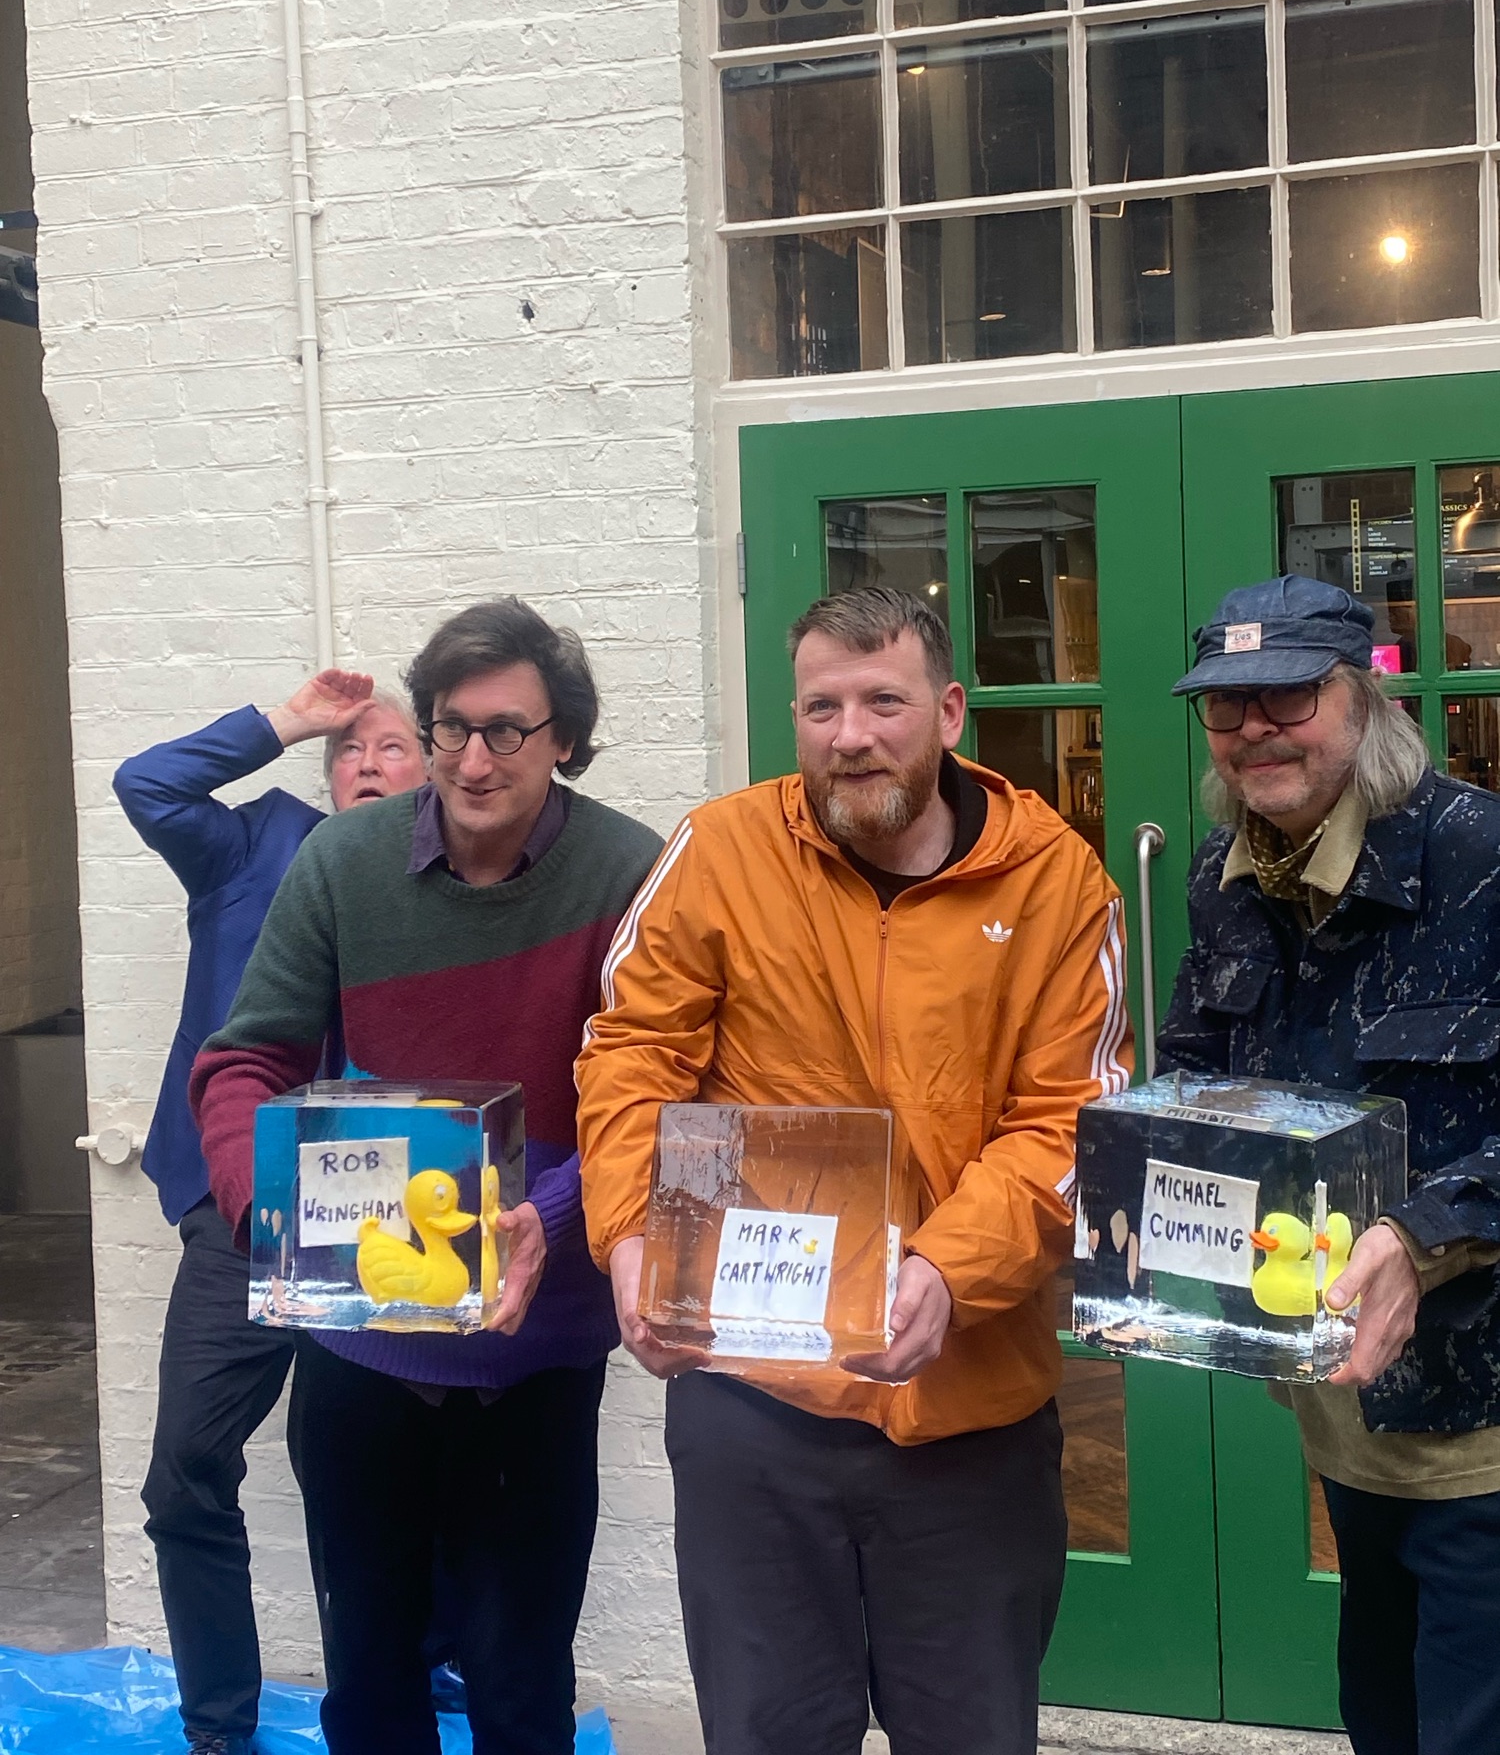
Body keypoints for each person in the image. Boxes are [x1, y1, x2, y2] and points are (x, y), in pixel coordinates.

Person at [575, 584, 1132, 1755]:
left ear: (950, 711)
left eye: (884, 701)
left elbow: (1072, 1119)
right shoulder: (718, 851)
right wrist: (627, 1235)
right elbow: (631, 1054)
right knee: (769, 1732)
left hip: (973, 1406)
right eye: (821, 706)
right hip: (754, 1401)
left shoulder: (1058, 881)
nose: (850, 734)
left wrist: (949, 1270)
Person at [189, 597, 663, 1755]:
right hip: (360, 1351)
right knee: (369, 1684)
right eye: (452, 726)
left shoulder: (632, 871)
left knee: (518, 1685)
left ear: (564, 737)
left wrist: (552, 1213)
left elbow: (664, 1094)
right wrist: (270, 1205)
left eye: (508, 729)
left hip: (536, 1356)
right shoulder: (345, 860)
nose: (474, 758)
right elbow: (246, 1060)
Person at [1157, 573, 1500, 1755]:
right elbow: (1195, 1073)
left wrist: (1422, 1230)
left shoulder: (1481, 856)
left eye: (1289, 695)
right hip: (1343, 1407)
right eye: (1227, 703)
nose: (1255, 726)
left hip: (1485, 1416)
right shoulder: (1224, 876)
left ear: (1363, 698)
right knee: (1383, 1710)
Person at [114, 675, 427, 1755]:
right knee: (187, 1468)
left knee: (361, 1480)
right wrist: (290, 721)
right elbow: (147, 784)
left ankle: (389, 1696)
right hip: (238, 1212)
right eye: (349, 751)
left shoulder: (452, 875)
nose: (367, 763)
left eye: (392, 747)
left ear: (432, 769)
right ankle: (219, 1727)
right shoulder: (252, 847)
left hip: (381, 1215)